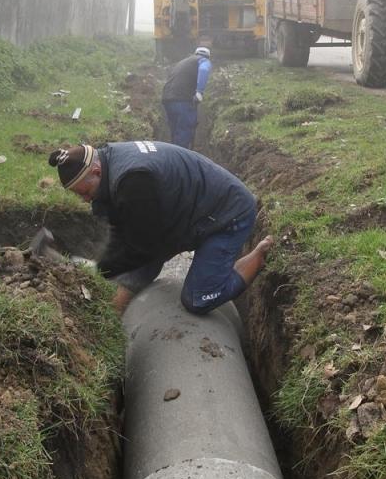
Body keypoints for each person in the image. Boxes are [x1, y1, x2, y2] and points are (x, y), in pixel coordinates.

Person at [47, 140, 273, 316]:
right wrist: (105, 269)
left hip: (226, 214)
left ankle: (256, 257)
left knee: (198, 299)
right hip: (186, 214)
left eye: (86, 192)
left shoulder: (134, 180)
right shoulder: (108, 161)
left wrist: (102, 269)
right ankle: (113, 318)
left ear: (96, 171)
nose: (86, 200)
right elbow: (125, 235)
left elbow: (143, 248)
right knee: (135, 261)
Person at [161, 45, 212, 149]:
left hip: (167, 98)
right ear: (208, 56)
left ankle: (173, 157)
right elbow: (204, 70)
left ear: (195, 53)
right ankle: (181, 159)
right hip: (182, 100)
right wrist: (199, 92)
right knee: (184, 131)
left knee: (175, 131)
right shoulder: (203, 61)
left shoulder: (183, 62)